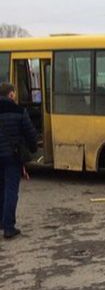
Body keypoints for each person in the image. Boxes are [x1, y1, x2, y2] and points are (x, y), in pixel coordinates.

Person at [0, 82, 37, 239]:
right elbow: (30, 133)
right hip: (12, 157)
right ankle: (8, 227)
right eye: (14, 93)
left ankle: (1, 222)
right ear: (11, 94)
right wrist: (33, 149)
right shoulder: (19, 111)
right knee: (10, 191)